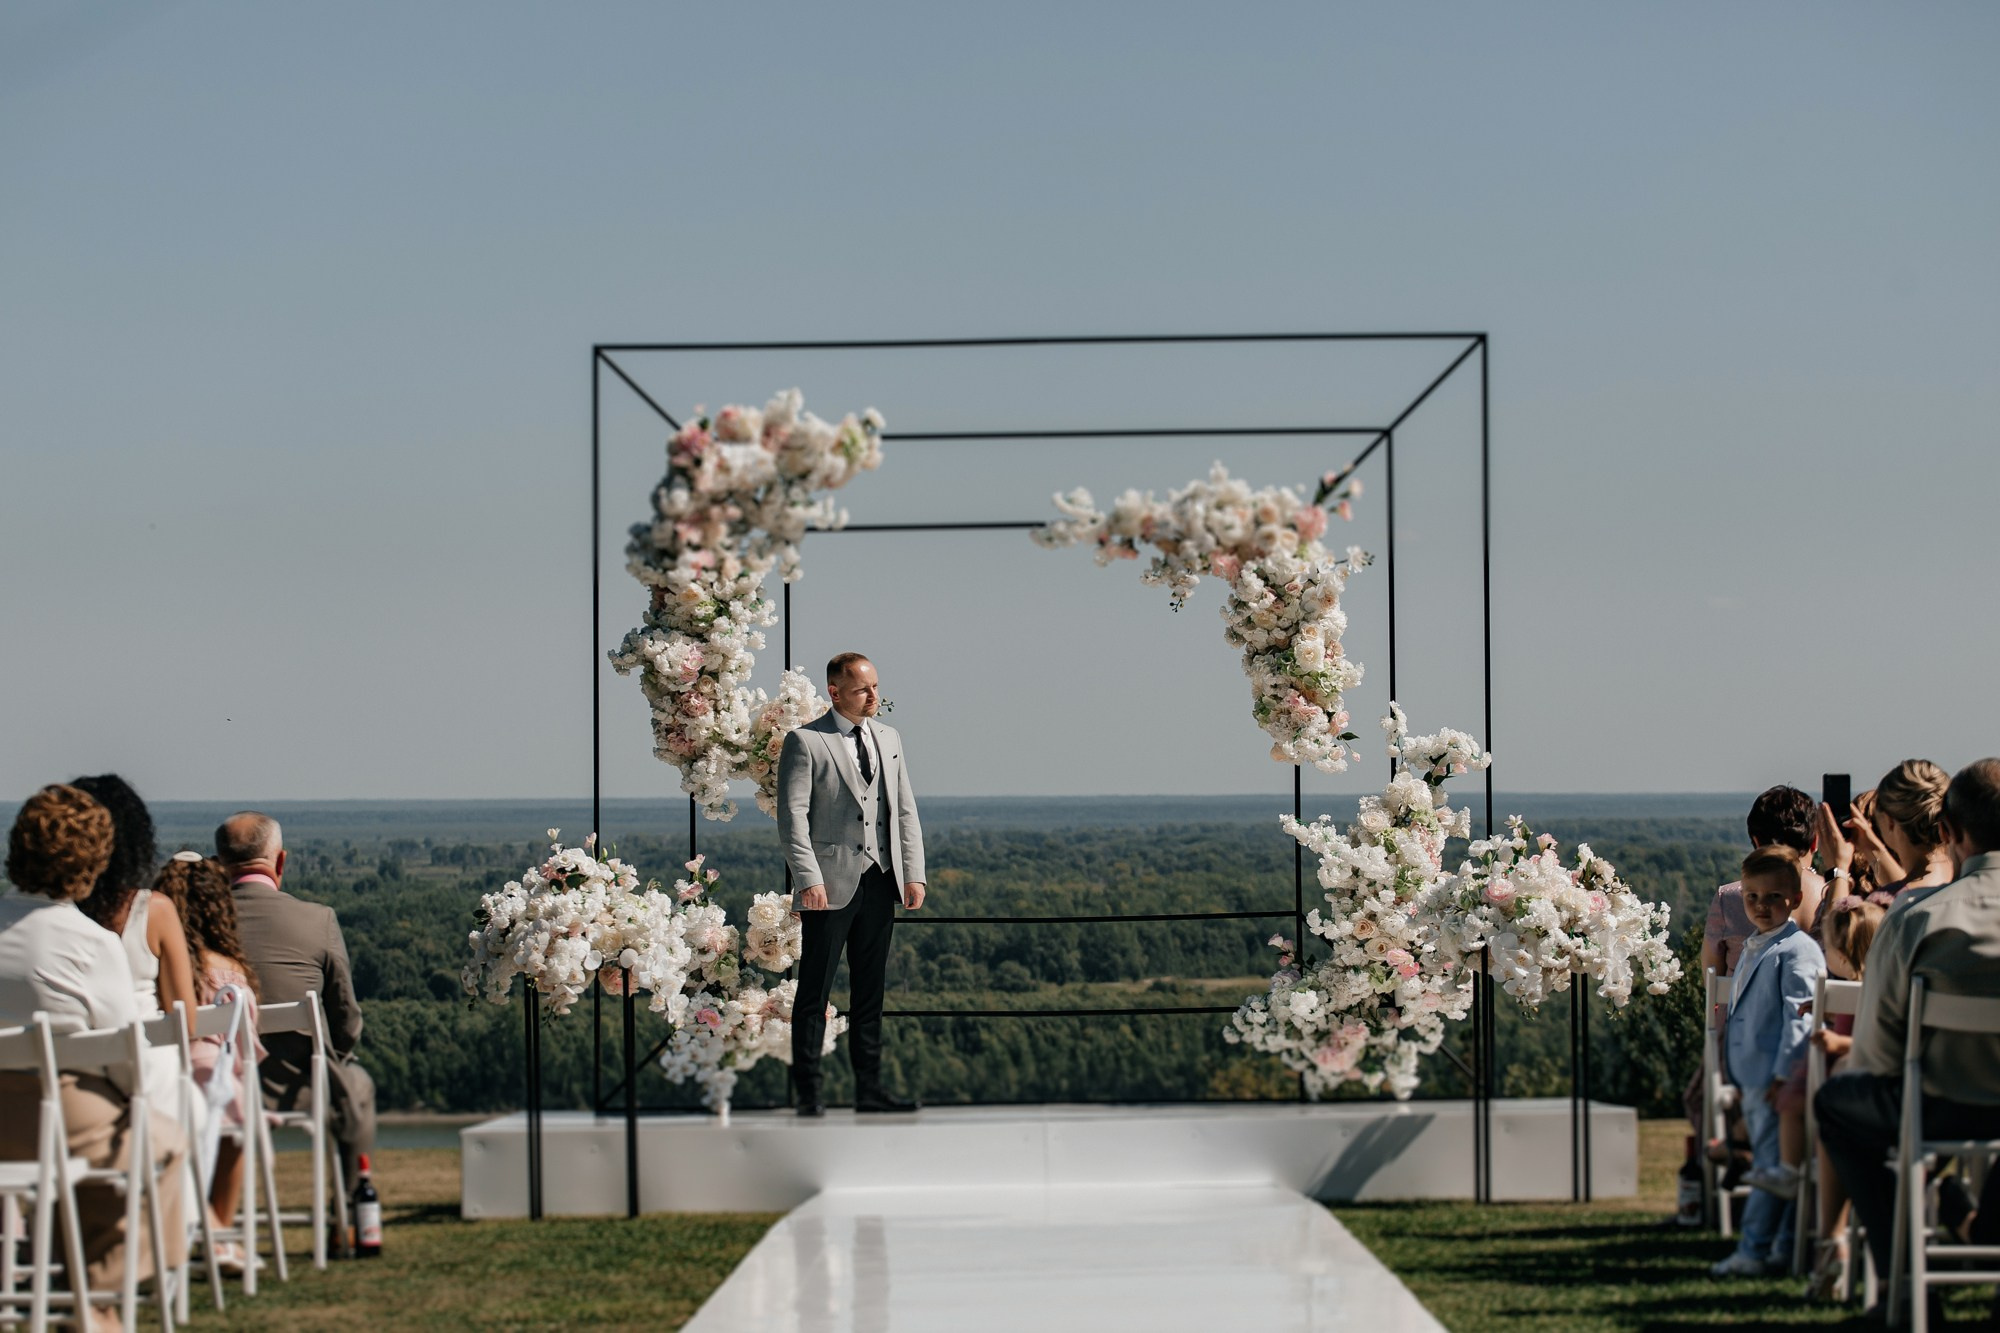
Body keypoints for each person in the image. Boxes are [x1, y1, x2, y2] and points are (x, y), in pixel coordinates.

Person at [1815, 758, 2000, 1313]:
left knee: (1838, 1106)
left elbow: (1875, 1053)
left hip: (1933, 1106)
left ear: (1948, 832)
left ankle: (1903, 1278)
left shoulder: (1917, 919)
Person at [0, 785, 187, 1330]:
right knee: (167, 1145)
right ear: (93, 860)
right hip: (63, 1110)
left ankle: (66, 1281)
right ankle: (97, 1296)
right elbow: (122, 1056)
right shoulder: (89, 943)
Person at [778, 652, 927, 1115]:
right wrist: (808, 878)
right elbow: (792, 818)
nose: (873, 697)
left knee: (870, 991)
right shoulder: (805, 742)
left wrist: (913, 871)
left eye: (876, 687)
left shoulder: (890, 737)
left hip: (882, 880)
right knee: (814, 991)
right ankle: (810, 1094)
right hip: (828, 884)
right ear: (835, 692)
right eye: (863, 689)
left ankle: (870, 1090)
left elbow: (904, 809)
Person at [216, 810, 375, 1186]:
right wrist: (335, 1057)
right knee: (359, 1084)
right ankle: (352, 1206)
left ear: (219, 864)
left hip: (219, 1090)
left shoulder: (198, 928)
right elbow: (346, 1019)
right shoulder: (318, 920)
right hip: (303, 1087)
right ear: (280, 860)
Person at [1711, 845, 1824, 1277]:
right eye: (1752, 897)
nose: (1761, 906)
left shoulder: (1799, 951)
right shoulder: (1760, 944)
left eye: (1773, 897)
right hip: (1753, 1072)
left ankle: (1754, 1250)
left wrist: (1784, 1074)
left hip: (1776, 1076)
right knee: (1770, 1161)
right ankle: (1780, 1246)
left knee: (1772, 1166)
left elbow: (1801, 1019)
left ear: (1794, 898)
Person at [71, 774, 199, 1130]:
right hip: (146, 1086)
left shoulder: (54, 918)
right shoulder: (154, 911)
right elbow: (185, 1021)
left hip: (67, 1089)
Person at [152, 851, 264, 1258]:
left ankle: (206, 1227)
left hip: (167, 1084)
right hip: (222, 1085)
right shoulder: (231, 971)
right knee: (238, 1120)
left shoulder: (158, 965)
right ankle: (217, 1226)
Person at [1801, 892, 1886, 1300]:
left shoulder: (1846, 994)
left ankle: (1831, 1241)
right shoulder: (1883, 987)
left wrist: (1836, 1040)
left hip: (1857, 1105)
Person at [1814, 758, 1954, 916]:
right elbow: (1904, 888)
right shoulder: (1963, 878)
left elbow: (1836, 938)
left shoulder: (1886, 905)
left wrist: (1838, 869)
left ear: (1889, 822)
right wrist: (1869, 847)